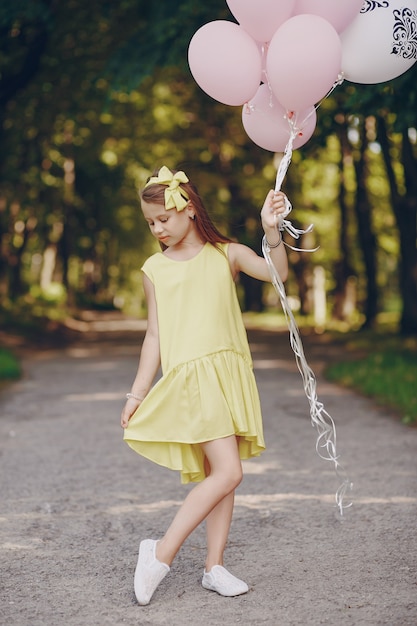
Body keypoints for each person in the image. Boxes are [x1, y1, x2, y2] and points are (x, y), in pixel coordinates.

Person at [121, 165, 289, 605]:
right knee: (230, 472)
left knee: (223, 474)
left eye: (163, 219)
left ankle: (214, 567)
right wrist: (137, 393)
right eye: (150, 223)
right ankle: (159, 552)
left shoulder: (226, 254)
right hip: (193, 381)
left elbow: (278, 274)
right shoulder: (154, 268)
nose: (157, 229)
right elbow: (154, 336)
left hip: (229, 374)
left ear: (189, 209)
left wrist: (270, 231)